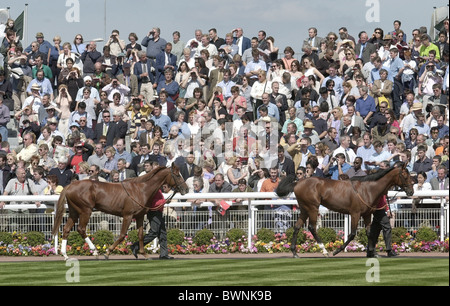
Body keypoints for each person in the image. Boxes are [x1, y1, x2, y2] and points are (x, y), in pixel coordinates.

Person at [130, 186, 174, 260]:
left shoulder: (157, 190)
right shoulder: (152, 190)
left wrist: (164, 201)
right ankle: (136, 246)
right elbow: (152, 203)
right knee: (154, 232)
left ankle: (164, 254)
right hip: (153, 213)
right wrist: (164, 201)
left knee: (162, 233)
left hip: (158, 212)